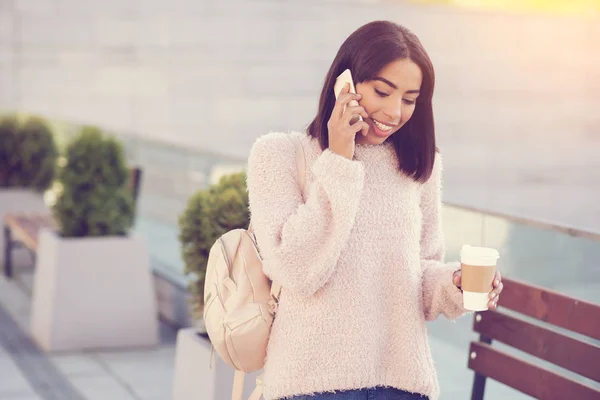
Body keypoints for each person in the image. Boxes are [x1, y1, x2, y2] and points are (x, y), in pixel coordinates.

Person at [246, 20, 503, 400]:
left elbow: (421, 275)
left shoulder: (419, 167)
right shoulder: (280, 154)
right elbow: (296, 271)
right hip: (309, 384)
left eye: (410, 99)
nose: (395, 111)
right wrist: (339, 158)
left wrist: (455, 285)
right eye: (382, 91)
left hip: (402, 382)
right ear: (344, 83)